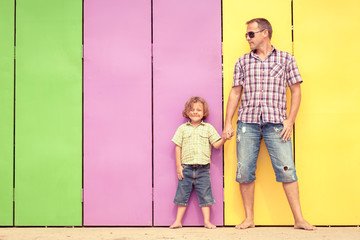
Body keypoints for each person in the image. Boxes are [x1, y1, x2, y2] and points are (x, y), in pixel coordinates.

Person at [223, 18, 316, 231]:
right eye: (246, 34)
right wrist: (228, 122)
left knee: (287, 170)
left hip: (276, 124)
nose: (247, 38)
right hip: (248, 123)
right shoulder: (243, 62)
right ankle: (249, 219)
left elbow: (296, 90)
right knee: (245, 170)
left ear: (265, 33)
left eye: (251, 34)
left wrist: (290, 120)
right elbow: (235, 92)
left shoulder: (286, 59)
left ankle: (299, 219)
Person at [170, 96, 226, 229]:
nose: (195, 112)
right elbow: (178, 147)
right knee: (182, 195)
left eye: (198, 110)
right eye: (192, 109)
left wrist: (224, 138)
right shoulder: (182, 129)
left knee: (205, 195)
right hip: (186, 168)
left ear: (204, 112)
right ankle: (178, 221)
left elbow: (216, 145)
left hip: (203, 170)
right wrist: (179, 167)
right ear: (187, 112)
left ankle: (207, 221)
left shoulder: (208, 128)